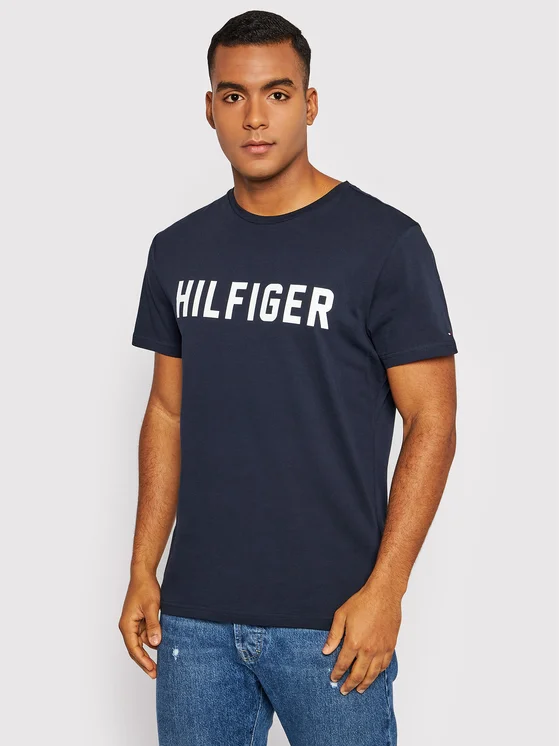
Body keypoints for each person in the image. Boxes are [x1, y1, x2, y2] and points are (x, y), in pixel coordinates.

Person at [119, 9, 458, 746]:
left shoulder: (385, 244)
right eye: (233, 95)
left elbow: (431, 422)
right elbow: (167, 412)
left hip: (333, 623)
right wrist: (144, 567)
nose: (254, 117)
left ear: (309, 103)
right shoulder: (176, 250)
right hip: (195, 622)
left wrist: (387, 591)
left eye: (276, 93)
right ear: (209, 107)